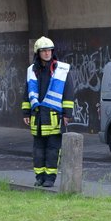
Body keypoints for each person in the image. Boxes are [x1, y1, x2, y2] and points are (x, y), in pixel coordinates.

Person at [21, 36, 74, 188]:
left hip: (54, 117)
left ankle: (50, 178)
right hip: (37, 117)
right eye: (43, 51)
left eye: (49, 50)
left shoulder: (61, 70)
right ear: (38, 53)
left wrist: (66, 114)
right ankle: (39, 177)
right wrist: (26, 112)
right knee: (38, 150)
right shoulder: (32, 71)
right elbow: (27, 92)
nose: (47, 53)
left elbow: (68, 93)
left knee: (52, 149)